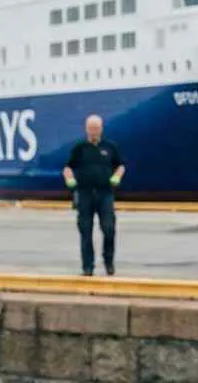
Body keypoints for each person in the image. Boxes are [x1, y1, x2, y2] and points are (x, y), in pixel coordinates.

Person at [63, 114, 124, 276]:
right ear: (86, 129)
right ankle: (87, 267)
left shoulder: (110, 147)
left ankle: (108, 261)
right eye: (91, 129)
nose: (93, 132)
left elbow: (120, 166)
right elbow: (68, 167)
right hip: (85, 194)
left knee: (109, 229)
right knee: (85, 231)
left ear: (101, 129)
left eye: (96, 128)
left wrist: (117, 176)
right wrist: (69, 179)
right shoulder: (79, 148)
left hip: (105, 193)